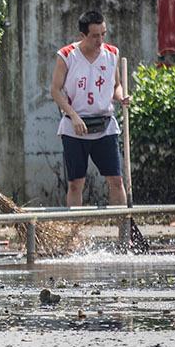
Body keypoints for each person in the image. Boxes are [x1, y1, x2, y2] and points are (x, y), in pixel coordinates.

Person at [49, 11, 130, 207]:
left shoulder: (112, 54)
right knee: (76, 183)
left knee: (116, 181)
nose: (100, 40)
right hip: (75, 127)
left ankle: (123, 233)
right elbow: (55, 90)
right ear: (82, 35)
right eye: (95, 36)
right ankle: (74, 234)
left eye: (103, 34)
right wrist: (74, 116)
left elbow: (116, 85)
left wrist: (121, 97)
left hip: (105, 125)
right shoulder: (67, 55)